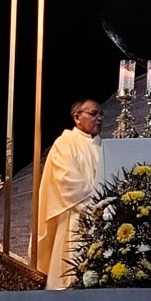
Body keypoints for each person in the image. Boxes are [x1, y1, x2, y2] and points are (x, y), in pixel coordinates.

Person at [37, 99, 105, 289]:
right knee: (71, 272)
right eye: (93, 114)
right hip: (76, 215)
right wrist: (96, 206)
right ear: (77, 117)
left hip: (103, 219)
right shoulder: (65, 143)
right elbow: (67, 180)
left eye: (101, 114)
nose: (99, 118)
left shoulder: (103, 146)